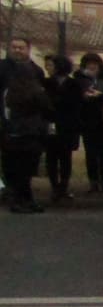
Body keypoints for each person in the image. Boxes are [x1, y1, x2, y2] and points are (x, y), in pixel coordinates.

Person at [1, 37, 49, 213]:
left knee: (26, 166)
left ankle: (24, 198)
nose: (17, 50)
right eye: (14, 47)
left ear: (28, 49)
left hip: (31, 130)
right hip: (12, 127)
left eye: (21, 48)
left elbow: (45, 106)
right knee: (13, 164)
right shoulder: (3, 68)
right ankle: (15, 196)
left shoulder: (36, 71)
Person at [42, 55, 83, 201]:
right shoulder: (46, 83)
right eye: (46, 65)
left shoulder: (74, 84)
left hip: (68, 126)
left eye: (50, 65)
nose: (48, 68)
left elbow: (78, 106)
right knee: (51, 157)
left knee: (65, 158)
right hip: (50, 124)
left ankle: (63, 187)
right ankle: (54, 187)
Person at [75, 53, 103, 192]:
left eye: (94, 63)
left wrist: (101, 94)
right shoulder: (79, 77)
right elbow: (75, 96)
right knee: (90, 153)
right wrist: (84, 95)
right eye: (88, 63)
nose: (92, 65)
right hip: (87, 119)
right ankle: (93, 181)